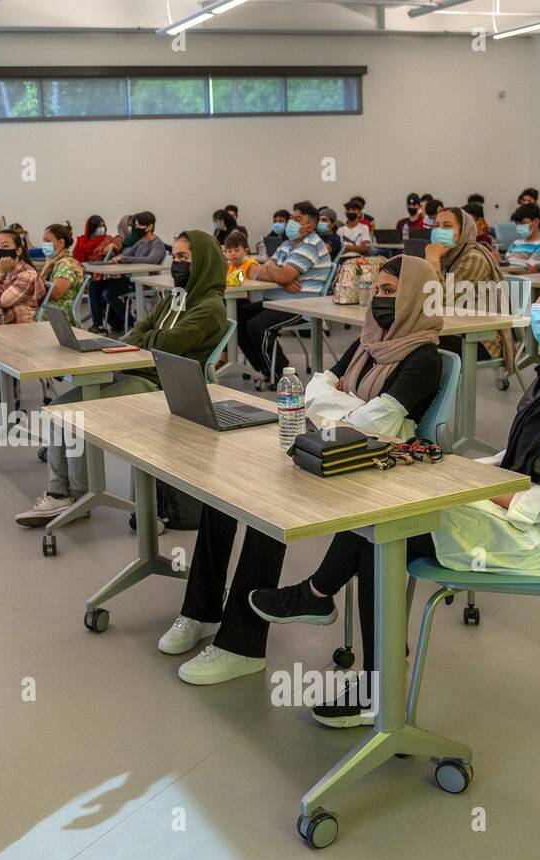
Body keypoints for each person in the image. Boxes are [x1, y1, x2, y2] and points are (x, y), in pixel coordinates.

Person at [248, 244, 540, 726]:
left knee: (382, 527)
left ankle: (370, 675)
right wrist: (460, 469)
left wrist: (475, 488)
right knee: (384, 500)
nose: (539, 299)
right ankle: (341, 625)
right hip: (520, 504)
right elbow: (525, 456)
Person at [166, 256, 445, 684]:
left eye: (390, 293)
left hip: (367, 470)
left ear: (415, 298)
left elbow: (377, 425)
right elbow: (313, 389)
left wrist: (339, 407)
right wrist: (348, 409)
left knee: (264, 504)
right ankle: (201, 612)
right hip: (325, 448)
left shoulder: (424, 358)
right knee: (221, 491)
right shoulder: (368, 342)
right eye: (377, 290)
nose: (379, 300)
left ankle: (240, 646)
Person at [15, 230, 227, 526]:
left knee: (74, 413)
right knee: (59, 409)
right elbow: (136, 333)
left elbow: (164, 344)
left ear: (203, 262)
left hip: (160, 387)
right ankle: (62, 493)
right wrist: (150, 338)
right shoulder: (174, 299)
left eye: (184, 258)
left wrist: (149, 338)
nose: (176, 263)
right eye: (175, 256)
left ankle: (71, 493)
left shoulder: (210, 308)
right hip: (134, 371)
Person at [239, 201, 333, 384]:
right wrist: (279, 275)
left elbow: (279, 274)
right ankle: (264, 368)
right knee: (238, 316)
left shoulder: (311, 245)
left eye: (298, 219)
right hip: (277, 300)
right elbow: (256, 271)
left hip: (300, 304)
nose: (292, 223)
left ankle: (282, 372)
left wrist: (275, 271)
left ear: (310, 227)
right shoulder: (287, 245)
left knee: (258, 325)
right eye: (292, 218)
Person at [426, 206, 512, 366]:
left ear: (463, 230)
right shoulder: (448, 257)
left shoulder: (473, 258)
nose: (439, 231)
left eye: (447, 226)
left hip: (480, 338)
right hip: (454, 329)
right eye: (436, 226)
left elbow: (440, 302)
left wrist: (432, 261)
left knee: (415, 346)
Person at [87, 210, 164, 333]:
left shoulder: (157, 244)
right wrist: (118, 256)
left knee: (109, 293)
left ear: (150, 227)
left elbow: (151, 260)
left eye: (140, 225)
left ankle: (130, 324)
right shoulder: (140, 242)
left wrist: (126, 258)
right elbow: (128, 253)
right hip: (129, 279)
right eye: (136, 225)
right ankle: (99, 325)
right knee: (94, 286)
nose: (137, 228)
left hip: (143, 283)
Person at [0, 228, 45, 324]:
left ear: (18, 251)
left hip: (21, 329)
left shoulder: (27, 275)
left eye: (5, 246)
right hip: (1, 326)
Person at [40, 222, 85, 323]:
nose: (45, 245)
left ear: (60, 243)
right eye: (43, 241)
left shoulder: (66, 265)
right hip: (51, 309)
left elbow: (56, 293)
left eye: (48, 241)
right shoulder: (53, 262)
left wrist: (37, 282)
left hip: (58, 313)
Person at [504, 204, 540, 274]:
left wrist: (504, 268)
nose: (519, 226)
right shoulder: (516, 243)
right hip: (508, 279)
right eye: (518, 223)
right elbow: (507, 263)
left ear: (536, 221)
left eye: (523, 223)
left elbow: (530, 271)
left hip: (526, 282)